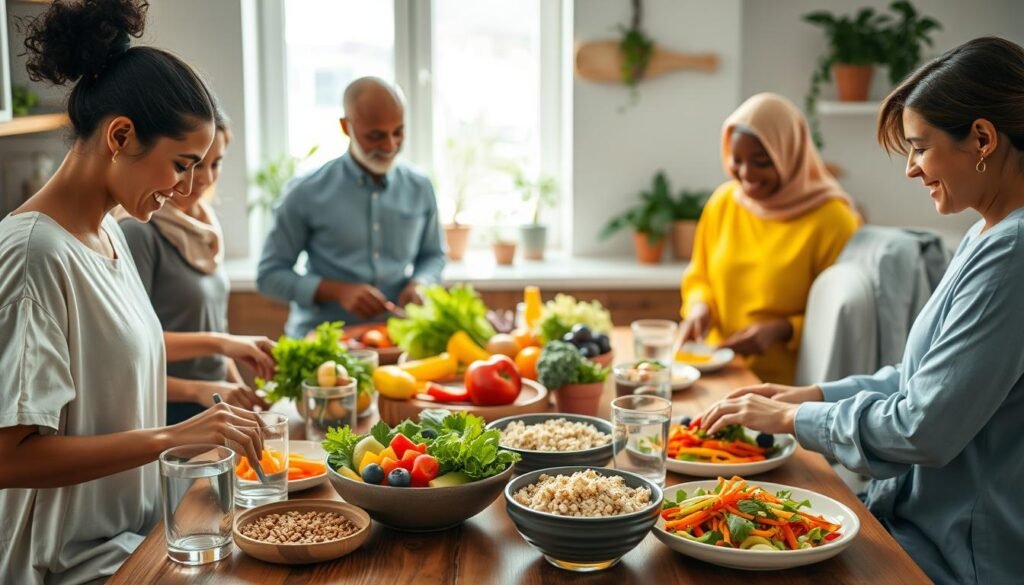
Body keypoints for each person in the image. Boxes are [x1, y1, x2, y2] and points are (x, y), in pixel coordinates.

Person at [697, 37, 1024, 585]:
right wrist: (815, 395)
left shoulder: (1012, 256)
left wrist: (793, 420)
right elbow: (923, 381)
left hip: (955, 555)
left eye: (920, 147)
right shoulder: (986, 233)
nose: (911, 169)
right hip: (913, 522)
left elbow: (924, 428)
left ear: (983, 139)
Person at [0, 2, 270, 583]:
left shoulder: (110, 237)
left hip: (135, 544)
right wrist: (174, 437)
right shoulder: (32, 254)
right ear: (121, 135)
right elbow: (8, 455)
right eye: (182, 164)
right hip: (65, 566)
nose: (187, 188)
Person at [680, 93, 860, 384]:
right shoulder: (724, 202)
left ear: (789, 154)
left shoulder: (833, 220)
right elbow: (699, 276)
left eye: (761, 162)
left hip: (789, 389)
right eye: (736, 160)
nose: (746, 174)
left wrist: (782, 330)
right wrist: (699, 307)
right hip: (718, 373)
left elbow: (845, 317)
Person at [257, 77, 446, 338]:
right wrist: (335, 290)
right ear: (346, 127)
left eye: (398, 132)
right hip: (321, 340)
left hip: (396, 340)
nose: (390, 146)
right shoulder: (305, 192)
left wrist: (421, 283)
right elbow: (269, 276)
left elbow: (433, 255)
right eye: (376, 135)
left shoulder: (420, 187)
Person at [120, 112, 271, 424]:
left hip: (214, 404)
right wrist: (203, 387)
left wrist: (238, 391)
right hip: (168, 413)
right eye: (194, 163)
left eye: (215, 163)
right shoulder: (139, 232)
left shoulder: (205, 227)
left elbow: (218, 328)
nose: (204, 177)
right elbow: (130, 351)